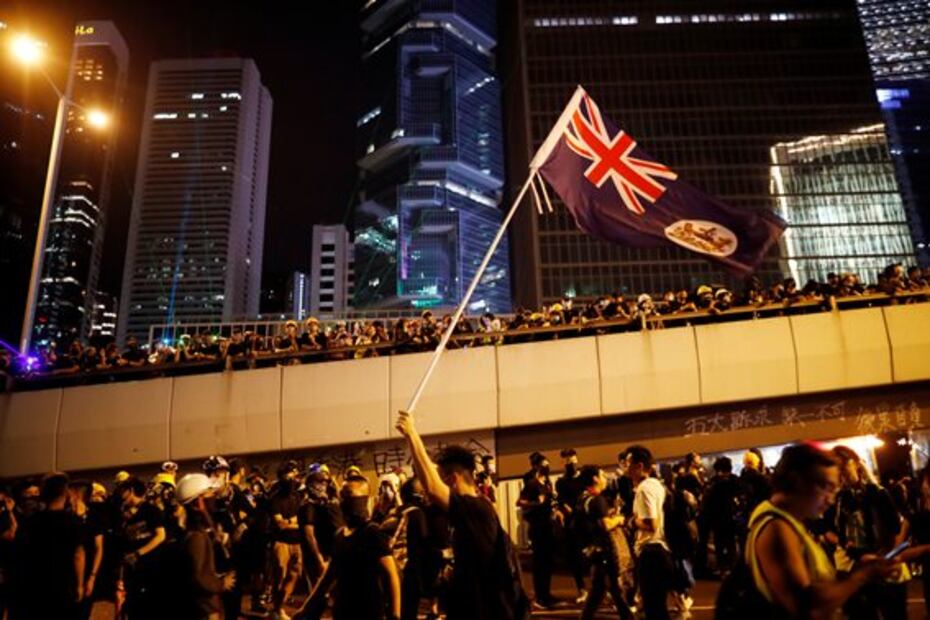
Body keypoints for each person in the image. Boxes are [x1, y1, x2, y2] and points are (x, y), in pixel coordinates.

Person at [396, 409, 528, 619]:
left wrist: (411, 433)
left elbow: (432, 486)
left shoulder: (475, 507)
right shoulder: (473, 509)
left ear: (452, 479)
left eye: (441, 478)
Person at [745, 443, 899, 618]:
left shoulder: (788, 521)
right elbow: (810, 607)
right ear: (798, 481)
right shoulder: (777, 529)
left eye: (834, 490)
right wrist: (864, 575)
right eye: (826, 487)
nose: (830, 500)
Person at [298, 475, 401, 620]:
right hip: (342, 610)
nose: (345, 500)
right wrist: (306, 607)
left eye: (350, 495)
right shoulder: (340, 535)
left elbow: (391, 574)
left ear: (364, 499)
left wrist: (395, 614)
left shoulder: (372, 532)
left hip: (368, 611)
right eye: (343, 495)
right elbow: (328, 577)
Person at [827, 445, 908, 620]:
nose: (841, 473)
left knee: (893, 613)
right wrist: (847, 546)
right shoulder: (838, 498)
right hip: (853, 567)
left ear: (856, 463)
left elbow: (895, 528)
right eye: (836, 469)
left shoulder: (877, 493)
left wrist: (886, 556)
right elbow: (831, 530)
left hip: (882, 562)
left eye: (843, 466)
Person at [9, 472, 84, 619]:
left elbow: (20, 554)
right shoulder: (73, 521)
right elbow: (78, 555)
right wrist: (79, 585)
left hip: (36, 585)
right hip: (63, 584)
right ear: (65, 493)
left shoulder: (31, 522)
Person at [576, 465, 634, 620]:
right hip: (605, 551)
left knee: (600, 589)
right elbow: (606, 524)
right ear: (595, 479)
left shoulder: (583, 499)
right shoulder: (597, 500)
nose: (605, 478)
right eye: (602, 475)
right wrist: (619, 519)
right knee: (613, 588)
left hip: (593, 549)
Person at [176, 473, 236, 620]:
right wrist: (221, 583)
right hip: (204, 607)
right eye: (209, 494)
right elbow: (198, 576)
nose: (214, 497)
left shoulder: (196, 531)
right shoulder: (196, 537)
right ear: (198, 503)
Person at [627, 445, 674, 620]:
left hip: (651, 553)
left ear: (639, 466)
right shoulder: (656, 485)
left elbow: (651, 523)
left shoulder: (644, 489)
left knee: (654, 610)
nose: (626, 469)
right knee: (658, 609)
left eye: (628, 464)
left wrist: (631, 521)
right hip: (660, 551)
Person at [118, 476, 168, 619]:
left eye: (123, 490)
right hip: (133, 571)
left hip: (151, 568)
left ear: (131, 490)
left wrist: (138, 553)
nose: (120, 494)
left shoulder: (150, 510)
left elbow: (161, 536)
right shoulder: (125, 514)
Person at [517, 452, 558, 609]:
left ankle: (546, 593)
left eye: (548, 464)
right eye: (544, 465)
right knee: (540, 563)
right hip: (537, 527)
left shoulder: (547, 484)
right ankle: (540, 596)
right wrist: (536, 503)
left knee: (548, 562)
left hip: (548, 526)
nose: (547, 467)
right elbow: (520, 502)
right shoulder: (532, 484)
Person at [270, 461, 303, 619]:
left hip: (297, 542)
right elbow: (280, 525)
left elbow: (303, 520)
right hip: (281, 543)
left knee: (294, 576)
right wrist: (294, 521)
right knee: (279, 578)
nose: (291, 482)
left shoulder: (298, 496)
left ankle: (279, 606)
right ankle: (277, 609)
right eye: (288, 478)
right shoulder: (275, 499)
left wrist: (290, 521)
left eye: (293, 478)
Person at [300, 464, 343, 586]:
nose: (323, 485)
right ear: (311, 484)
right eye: (319, 482)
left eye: (325, 482)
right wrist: (319, 560)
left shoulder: (327, 503)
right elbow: (309, 535)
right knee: (320, 591)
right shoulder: (308, 506)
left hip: (332, 553)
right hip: (319, 556)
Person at [69, 480, 105, 620]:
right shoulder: (66, 516)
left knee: (83, 611)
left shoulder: (94, 516)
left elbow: (99, 548)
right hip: (68, 575)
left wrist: (92, 577)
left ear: (76, 494)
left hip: (87, 572)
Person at [555, 448, 587, 603]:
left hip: (586, 521)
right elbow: (560, 500)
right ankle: (582, 589)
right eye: (567, 461)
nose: (570, 463)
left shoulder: (584, 479)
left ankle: (601, 588)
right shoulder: (561, 482)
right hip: (571, 522)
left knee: (593, 557)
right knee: (575, 558)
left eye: (572, 460)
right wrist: (565, 507)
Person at [702, 456, 741, 575]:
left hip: (717, 517)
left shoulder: (714, 482)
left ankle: (722, 566)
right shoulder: (734, 480)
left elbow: (708, 499)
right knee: (730, 542)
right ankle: (732, 566)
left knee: (720, 543)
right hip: (730, 515)